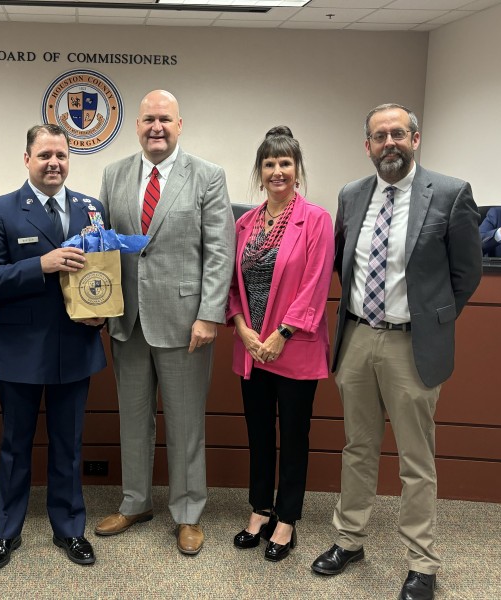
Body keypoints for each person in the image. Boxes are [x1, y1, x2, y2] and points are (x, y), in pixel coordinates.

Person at [311, 103, 482, 600]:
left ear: (415, 139)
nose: (389, 143)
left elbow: (466, 274)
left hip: (413, 344)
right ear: (367, 146)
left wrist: (431, 319)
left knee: (415, 459)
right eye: (379, 136)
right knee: (358, 447)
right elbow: (348, 264)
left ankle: (422, 562)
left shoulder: (449, 194)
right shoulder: (352, 194)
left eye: (398, 134)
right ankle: (350, 538)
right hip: (359, 338)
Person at [95, 90, 235, 555]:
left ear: (180, 125)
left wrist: (209, 315)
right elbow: (102, 245)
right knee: (133, 420)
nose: (157, 127)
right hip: (128, 321)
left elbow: (219, 251)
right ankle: (135, 502)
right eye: (149, 120)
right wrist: (99, 302)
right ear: (137, 125)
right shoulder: (114, 174)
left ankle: (189, 512)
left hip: (185, 322)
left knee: (185, 421)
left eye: (165, 120)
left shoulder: (208, 176)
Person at [0, 124, 106, 570]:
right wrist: (40, 265)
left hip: (75, 346)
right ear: (27, 158)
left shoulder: (91, 209)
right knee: (15, 445)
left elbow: (102, 271)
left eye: (61, 156)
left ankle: (70, 529)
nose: (54, 163)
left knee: (69, 445)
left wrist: (103, 309)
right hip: (21, 350)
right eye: (45, 154)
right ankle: (6, 532)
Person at [228, 126, 333, 562]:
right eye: (269, 163)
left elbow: (315, 284)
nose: (277, 171)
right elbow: (231, 284)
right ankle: (260, 509)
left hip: (293, 348)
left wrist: (280, 334)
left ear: (297, 170)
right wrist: (242, 328)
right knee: (258, 434)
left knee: (293, 435)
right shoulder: (245, 223)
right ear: (259, 171)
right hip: (252, 348)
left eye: (285, 163)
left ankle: (287, 518)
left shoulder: (316, 220)